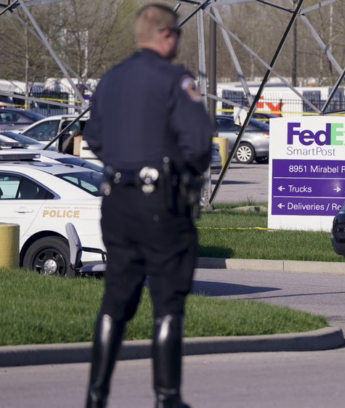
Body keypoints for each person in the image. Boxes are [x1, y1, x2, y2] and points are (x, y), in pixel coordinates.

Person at [83, 4, 213, 408]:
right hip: (161, 203)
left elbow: (96, 137)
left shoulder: (111, 80)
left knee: (116, 299)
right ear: (166, 35)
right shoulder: (176, 81)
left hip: (116, 202)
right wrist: (176, 171)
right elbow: (199, 145)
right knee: (168, 301)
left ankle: (96, 396)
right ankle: (167, 398)